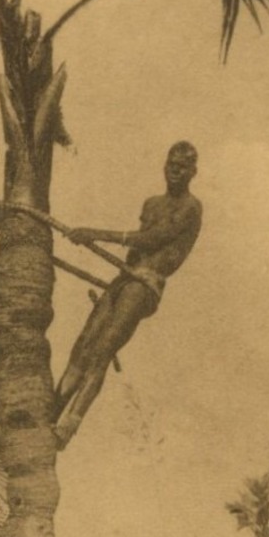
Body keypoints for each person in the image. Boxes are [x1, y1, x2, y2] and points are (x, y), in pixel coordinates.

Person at [52, 141, 202, 447]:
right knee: (83, 345)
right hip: (125, 278)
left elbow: (154, 240)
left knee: (102, 349)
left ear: (193, 172)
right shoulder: (151, 204)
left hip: (146, 283)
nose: (175, 171)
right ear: (164, 165)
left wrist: (95, 234)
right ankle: (51, 413)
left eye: (182, 167)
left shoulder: (190, 207)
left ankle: (68, 425)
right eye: (171, 164)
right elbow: (137, 246)